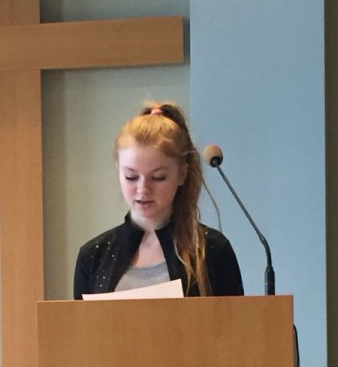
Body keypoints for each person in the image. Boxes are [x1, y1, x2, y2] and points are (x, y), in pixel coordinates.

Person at [73, 102, 244, 299]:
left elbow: (236, 318)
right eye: (131, 177)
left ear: (182, 174)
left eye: (158, 177)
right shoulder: (93, 255)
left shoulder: (213, 249)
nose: (143, 189)